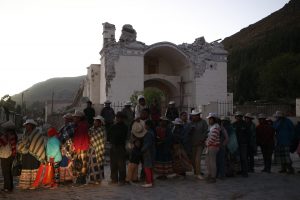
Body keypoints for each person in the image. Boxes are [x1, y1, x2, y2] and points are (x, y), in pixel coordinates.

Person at [17, 119, 46, 189]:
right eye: (26, 125)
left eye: (28, 125)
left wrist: (27, 144)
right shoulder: (25, 134)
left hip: (34, 155)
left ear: (32, 126)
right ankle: (25, 184)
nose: (26, 126)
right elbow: (21, 141)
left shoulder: (37, 134)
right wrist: (22, 145)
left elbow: (39, 143)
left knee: (33, 168)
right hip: (25, 154)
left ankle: (34, 184)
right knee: (26, 168)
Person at [108, 112, 128, 185]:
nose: (118, 119)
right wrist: (111, 143)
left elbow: (126, 137)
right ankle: (114, 179)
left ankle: (122, 179)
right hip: (113, 146)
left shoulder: (125, 127)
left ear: (123, 119)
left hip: (121, 147)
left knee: (121, 164)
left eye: (120, 118)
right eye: (117, 117)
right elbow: (109, 136)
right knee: (113, 164)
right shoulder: (113, 126)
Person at [189, 110, 208, 180]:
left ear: (198, 115)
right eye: (192, 116)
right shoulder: (190, 123)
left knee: (197, 159)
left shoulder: (203, 122)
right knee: (193, 159)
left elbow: (206, 132)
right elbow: (188, 133)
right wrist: (190, 130)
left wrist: (202, 140)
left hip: (200, 143)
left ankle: (198, 174)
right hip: (193, 144)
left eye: (194, 116)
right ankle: (196, 171)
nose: (193, 117)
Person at [72, 110, 90, 185]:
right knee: (82, 164)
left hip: (81, 148)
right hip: (82, 147)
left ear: (79, 118)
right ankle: (82, 180)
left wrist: (78, 149)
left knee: (81, 164)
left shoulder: (81, 126)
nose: (74, 119)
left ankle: (80, 180)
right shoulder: (82, 125)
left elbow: (80, 138)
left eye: (75, 117)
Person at [0, 121, 18, 192]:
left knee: (5, 172)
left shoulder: (6, 135)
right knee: (9, 172)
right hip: (11, 155)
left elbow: (1, 143)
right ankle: (10, 187)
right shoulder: (13, 135)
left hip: (5, 155)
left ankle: (7, 188)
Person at [126, 119, 146, 183]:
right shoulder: (138, 137)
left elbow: (133, 146)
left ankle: (129, 178)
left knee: (132, 166)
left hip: (135, 154)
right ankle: (134, 178)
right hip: (136, 154)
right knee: (135, 166)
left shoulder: (137, 139)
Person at [88, 115, 106, 184]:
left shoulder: (101, 130)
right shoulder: (91, 129)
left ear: (100, 123)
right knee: (92, 164)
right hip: (92, 149)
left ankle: (98, 179)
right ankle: (93, 179)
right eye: (94, 121)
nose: (94, 122)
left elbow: (96, 139)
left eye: (96, 121)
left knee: (98, 164)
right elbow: (89, 136)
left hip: (99, 149)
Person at [232, 111, 250, 177]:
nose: (238, 118)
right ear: (235, 117)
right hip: (235, 144)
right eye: (237, 116)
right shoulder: (233, 124)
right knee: (236, 158)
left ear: (241, 117)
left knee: (244, 158)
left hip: (243, 144)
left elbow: (248, 134)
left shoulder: (245, 124)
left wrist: (246, 142)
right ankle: (237, 171)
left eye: (240, 116)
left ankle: (245, 172)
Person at [205, 113, 221, 183]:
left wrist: (207, 143)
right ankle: (210, 174)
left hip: (213, 146)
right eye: (209, 119)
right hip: (210, 146)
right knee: (208, 162)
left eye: (211, 119)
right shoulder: (212, 127)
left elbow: (212, 138)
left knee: (212, 162)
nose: (209, 120)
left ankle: (213, 177)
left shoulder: (216, 127)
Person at [141, 120, 155, 188]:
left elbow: (147, 144)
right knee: (150, 167)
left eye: (145, 125)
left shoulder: (148, 133)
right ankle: (151, 181)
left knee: (147, 167)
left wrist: (142, 149)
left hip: (148, 152)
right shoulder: (152, 132)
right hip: (151, 151)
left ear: (148, 125)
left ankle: (149, 181)